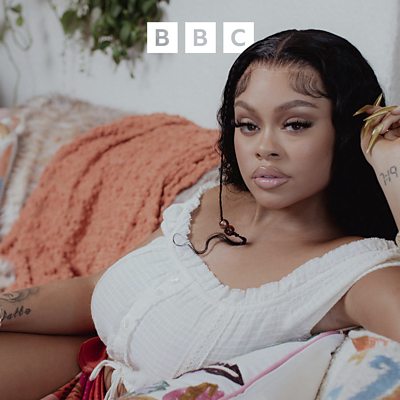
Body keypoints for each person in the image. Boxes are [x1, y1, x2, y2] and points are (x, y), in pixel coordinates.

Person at [1, 28, 400, 399]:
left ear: (349, 132)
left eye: (295, 124)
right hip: (80, 370)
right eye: (248, 124)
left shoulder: (356, 272)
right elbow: (92, 289)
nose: (264, 147)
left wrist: (390, 163)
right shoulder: (214, 199)